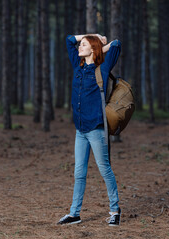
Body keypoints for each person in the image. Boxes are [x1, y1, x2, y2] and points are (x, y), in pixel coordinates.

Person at [57, 34, 121, 226]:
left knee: (104, 169)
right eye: (80, 44)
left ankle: (115, 211)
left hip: (96, 129)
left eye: (83, 45)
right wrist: (91, 35)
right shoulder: (78, 66)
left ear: (92, 50)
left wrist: (101, 46)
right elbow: (68, 39)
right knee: (79, 172)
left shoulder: (102, 69)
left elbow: (117, 44)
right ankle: (74, 214)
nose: (79, 47)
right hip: (80, 130)